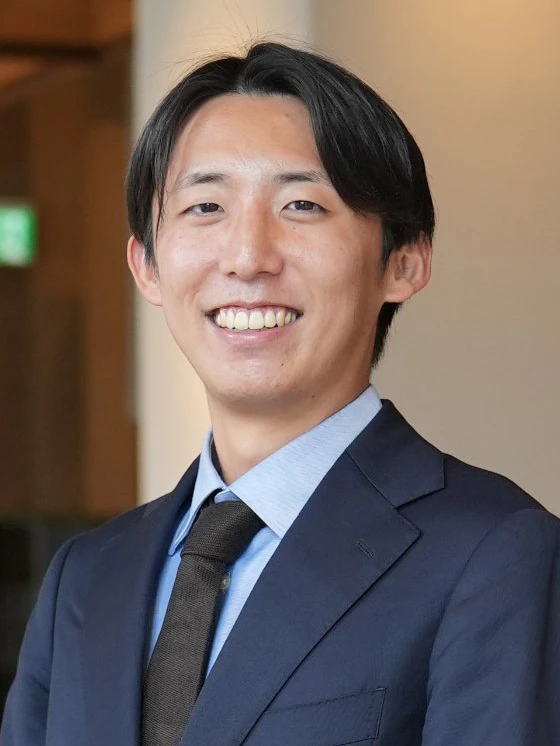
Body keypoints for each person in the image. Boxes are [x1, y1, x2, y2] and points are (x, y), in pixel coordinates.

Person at [1, 41, 559, 746]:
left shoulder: (494, 553)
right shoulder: (86, 577)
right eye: (205, 206)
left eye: (302, 205)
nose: (247, 257)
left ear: (404, 261)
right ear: (146, 266)